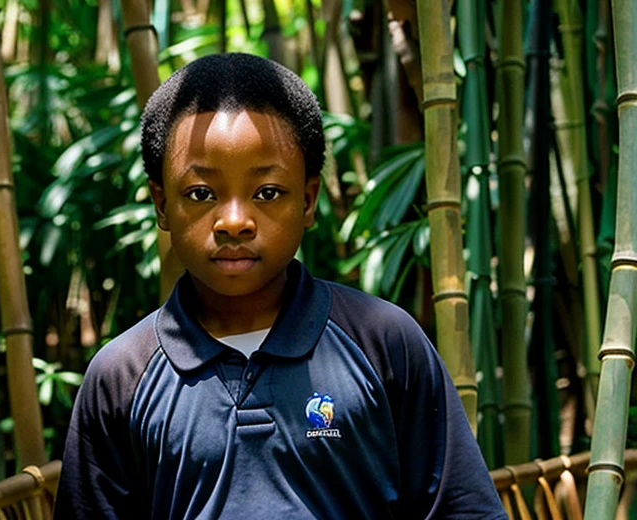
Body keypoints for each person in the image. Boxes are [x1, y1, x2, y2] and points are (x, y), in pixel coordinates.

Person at [53, 53, 505, 519]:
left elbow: (462, 509)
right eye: (201, 194)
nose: (234, 221)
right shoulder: (122, 377)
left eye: (267, 192)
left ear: (308, 201)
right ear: (162, 204)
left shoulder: (383, 343)